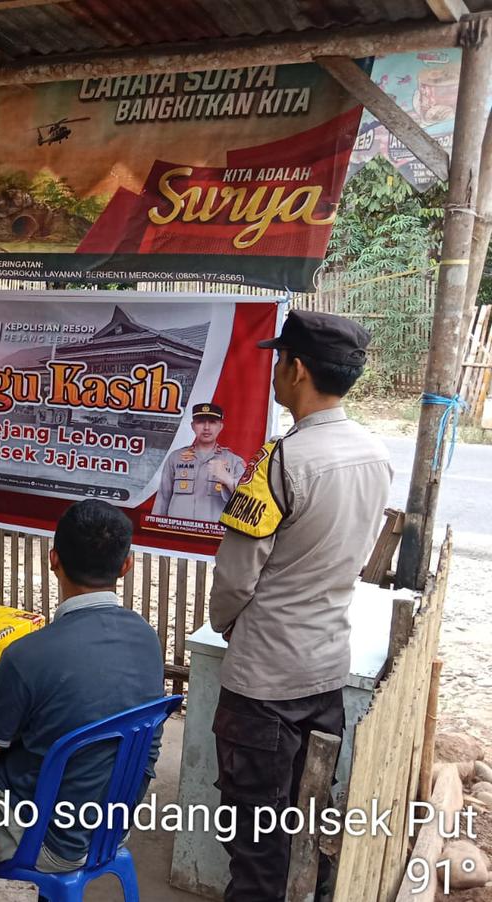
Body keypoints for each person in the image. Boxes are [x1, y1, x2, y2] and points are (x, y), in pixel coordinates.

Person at [210, 310, 392, 902]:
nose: (274, 371)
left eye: (279, 360)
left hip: (264, 681)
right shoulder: (374, 453)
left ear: (297, 370)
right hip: (326, 667)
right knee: (305, 822)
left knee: (255, 848)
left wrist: (230, 626)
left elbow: (236, 578)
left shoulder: (282, 461)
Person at [0, 500, 166, 872]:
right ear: (126, 565)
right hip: (110, 830)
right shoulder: (146, 638)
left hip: (38, 835)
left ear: (53, 559)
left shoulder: (27, 656)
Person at [152, 402, 245, 523]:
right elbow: (162, 499)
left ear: (220, 426)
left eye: (212, 422)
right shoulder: (175, 458)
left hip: (213, 532)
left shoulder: (235, 462)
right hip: (176, 530)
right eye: (200, 422)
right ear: (192, 426)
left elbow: (246, 505)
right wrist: (155, 527)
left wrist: (229, 480)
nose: (206, 427)